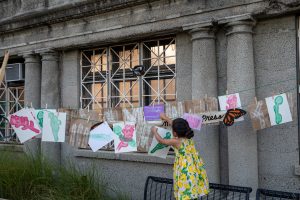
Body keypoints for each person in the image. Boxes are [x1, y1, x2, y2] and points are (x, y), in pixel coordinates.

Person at [151, 113, 209, 200]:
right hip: (194, 168)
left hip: (185, 169)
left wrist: (154, 131)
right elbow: (174, 125)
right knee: (192, 191)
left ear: (175, 133)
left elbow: (162, 141)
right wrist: (165, 118)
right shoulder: (188, 136)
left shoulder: (176, 141)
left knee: (185, 191)